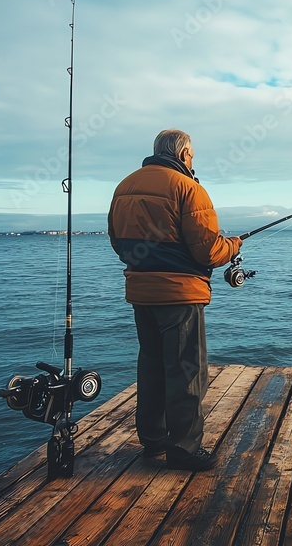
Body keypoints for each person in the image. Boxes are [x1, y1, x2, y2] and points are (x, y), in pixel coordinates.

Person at [107, 129, 242, 471]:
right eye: (192, 155)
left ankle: (153, 442)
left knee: (151, 368)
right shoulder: (189, 189)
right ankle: (183, 449)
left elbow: (116, 240)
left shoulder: (124, 187)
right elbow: (210, 250)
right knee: (186, 371)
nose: (192, 161)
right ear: (183, 154)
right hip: (180, 295)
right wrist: (233, 246)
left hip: (141, 293)